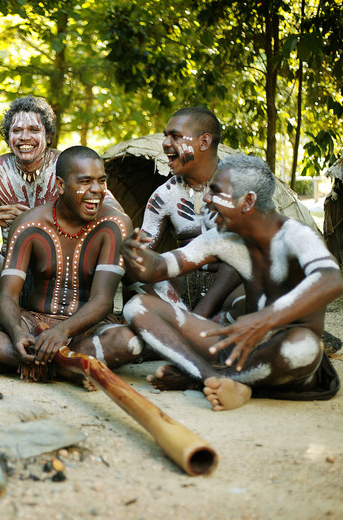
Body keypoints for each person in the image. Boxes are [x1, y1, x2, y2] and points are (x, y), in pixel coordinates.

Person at [121, 153, 343, 411]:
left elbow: (332, 279)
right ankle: (209, 377)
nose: (206, 198)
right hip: (238, 350)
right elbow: (158, 268)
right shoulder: (223, 236)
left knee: (303, 347)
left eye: (215, 191)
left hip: (284, 354)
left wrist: (266, 319)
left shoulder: (295, 235)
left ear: (248, 201)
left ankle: (205, 380)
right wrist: (136, 257)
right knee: (138, 307)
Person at [0, 145, 142, 378]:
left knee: (128, 341)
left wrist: (62, 331)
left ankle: (16, 362)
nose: (96, 190)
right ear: (60, 185)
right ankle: (70, 366)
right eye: (85, 182)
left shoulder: (115, 224)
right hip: (33, 324)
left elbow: (102, 300)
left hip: (87, 329)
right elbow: (8, 295)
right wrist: (17, 333)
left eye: (101, 181)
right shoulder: (29, 224)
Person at [0, 96, 122, 312]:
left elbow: (116, 213)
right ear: (8, 137)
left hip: (60, 272)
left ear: (48, 135)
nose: (25, 137)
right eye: (16, 131)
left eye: (34, 130)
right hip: (8, 270)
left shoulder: (68, 167)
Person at [134, 106, 242, 319]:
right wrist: (132, 256)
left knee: (250, 292)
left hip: (231, 288)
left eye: (175, 136)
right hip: (183, 290)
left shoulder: (241, 187)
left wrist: (200, 314)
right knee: (137, 296)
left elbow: (249, 255)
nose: (166, 144)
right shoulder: (164, 196)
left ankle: (194, 326)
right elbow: (143, 258)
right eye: (166, 136)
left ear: (204, 142)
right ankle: (192, 326)